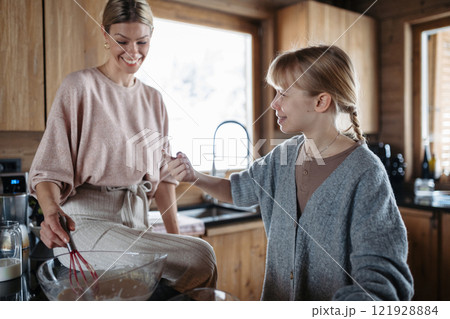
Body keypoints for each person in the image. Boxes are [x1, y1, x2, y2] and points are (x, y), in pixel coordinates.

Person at [167, 45, 414, 300]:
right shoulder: (283, 155)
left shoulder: (366, 173)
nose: (274, 103)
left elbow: (381, 284)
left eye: (283, 93)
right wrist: (193, 175)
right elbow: (238, 189)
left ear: (320, 101)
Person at [29, 0, 217, 293]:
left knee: (193, 255)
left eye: (142, 41)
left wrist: (177, 242)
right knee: (202, 255)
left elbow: (164, 181)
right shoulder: (79, 87)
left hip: (137, 224)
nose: (133, 51)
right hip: (85, 224)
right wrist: (51, 211)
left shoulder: (154, 100)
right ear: (105, 35)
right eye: (122, 41)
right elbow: (47, 172)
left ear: (151, 37)